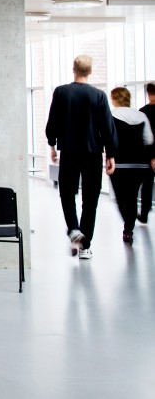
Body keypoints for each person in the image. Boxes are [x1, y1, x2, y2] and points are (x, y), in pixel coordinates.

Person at [45, 55, 118, 260]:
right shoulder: (99, 96)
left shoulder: (61, 92)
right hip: (93, 153)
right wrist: (110, 154)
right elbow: (107, 128)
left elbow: (53, 122)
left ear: (73, 69)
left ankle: (74, 229)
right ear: (90, 71)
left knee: (67, 193)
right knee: (90, 199)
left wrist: (52, 144)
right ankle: (85, 246)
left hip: (69, 152)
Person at [108, 87, 153, 245]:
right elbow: (148, 140)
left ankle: (127, 224)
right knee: (132, 197)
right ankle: (129, 228)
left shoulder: (110, 115)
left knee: (121, 199)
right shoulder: (141, 116)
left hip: (118, 164)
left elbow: (105, 138)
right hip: (140, 165)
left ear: (114, 99)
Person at [137, 83, 155, 224]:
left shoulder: (142, 112)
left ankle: (144, 213)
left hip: (148, 154)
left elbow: (143, 138)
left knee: (147, 184)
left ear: (148, 93)